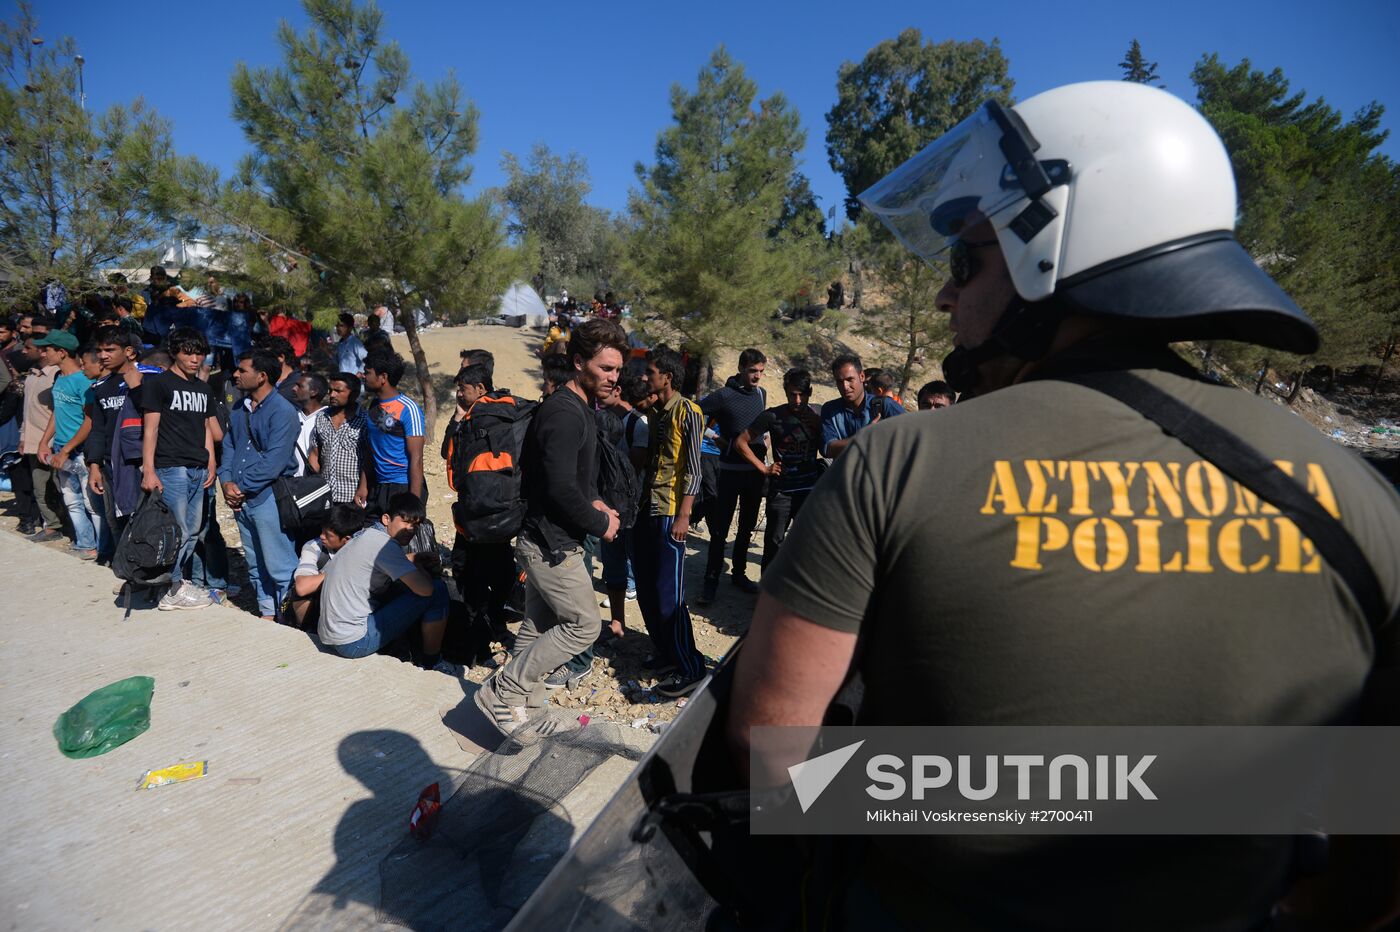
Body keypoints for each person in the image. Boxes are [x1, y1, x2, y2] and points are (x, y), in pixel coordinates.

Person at [727, 81, 1400, 930]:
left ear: (1050, 252)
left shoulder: (896, 462)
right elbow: (1376, 846)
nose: (946, 297)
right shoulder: (1365, 505)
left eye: (964, 260)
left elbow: (773, 762)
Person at [474, 319, 625, 735]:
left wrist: (595, 500)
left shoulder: (578, 409)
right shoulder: (564, 414)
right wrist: (600, 522)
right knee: (583, 626)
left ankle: (524, 711)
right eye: (607, 369)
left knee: (537, 627)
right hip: (550, 544)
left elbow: (571, 477)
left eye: (618, 369)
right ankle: (502, 690)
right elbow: (559, 489)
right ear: (579, 363)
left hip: (549, 537)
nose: (615, 377)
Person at [317, 491, 460, 675]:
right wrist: (421, 567)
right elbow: (425, 590)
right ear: (386, 519)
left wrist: (412, 560)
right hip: (353, 642)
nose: (410, 529)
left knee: (400, 587)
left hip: (330, 636)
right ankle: (433, 663)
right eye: (405, 521)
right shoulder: (384, 547)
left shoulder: (365, 535)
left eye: (415, 525)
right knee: (437, 591)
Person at [634, 347, 707, 698]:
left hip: (670, 513)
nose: (646, 377)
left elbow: (693, 467)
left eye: (651, 372)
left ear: (667, 376)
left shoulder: (688, 411)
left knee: (669, 595)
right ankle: (666, 653)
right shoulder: (658, 413)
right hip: (649, 508)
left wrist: (684, 515)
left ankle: (691, 668)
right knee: (648, 589)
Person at [140, 326, 218, 610]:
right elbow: (151, 429)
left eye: (199, 353)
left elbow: (206, 426)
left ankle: (174, 584)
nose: (195, 359)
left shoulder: (203, 388)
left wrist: (211, 460)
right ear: (175, 352)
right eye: (188, 352)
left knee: (194, 531)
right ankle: (171, 590)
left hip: (199, 466)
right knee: (177, 531)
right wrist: (148, 469)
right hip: (172, 466)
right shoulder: (158, 384)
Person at [220, 350, 301, 621]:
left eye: (242, 370)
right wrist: (226, 482)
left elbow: (275, 460)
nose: (235, 374)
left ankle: (289, 617)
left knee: (280, 563)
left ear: (262, 376)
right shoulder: (238, 408)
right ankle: (267, 613)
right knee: (254, 561)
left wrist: (239, 486)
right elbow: (229, 447)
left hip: (268, 496)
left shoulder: (283, 411)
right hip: (241, 497)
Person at [441, 363, 518, 645]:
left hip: (475, 513)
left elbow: (450, 461)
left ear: (481, 389)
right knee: (499, 570)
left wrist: (459, 422)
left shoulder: (476, 421)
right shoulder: (509, 412)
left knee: (467, 568)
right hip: (502, 512)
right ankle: (495, 623)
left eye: (463, 388)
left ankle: (480, 624)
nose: (458, 394)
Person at [732, 367, 823, 571]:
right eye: (793, 394)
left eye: (802, 395)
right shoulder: (773, 416)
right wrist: (763, 468)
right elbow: (740, 442)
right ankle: (765, 595)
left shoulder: (818, 416)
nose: (797, 400)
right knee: (773, 544)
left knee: (805, 546)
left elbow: (829, 446)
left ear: (809, 392)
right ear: (786, 392)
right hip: (781, 492)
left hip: (809, 492)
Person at [697, 349, 768, 604]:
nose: (757, 376)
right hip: (728, 473)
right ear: (741, 369)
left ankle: (738, 573)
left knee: (747, 528)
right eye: (752, 371)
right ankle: (711, 581)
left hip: (754, 473)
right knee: (719, 530)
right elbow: (694, 414)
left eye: (760, 371)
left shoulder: (762, 394)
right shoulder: (723, 396)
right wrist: (714, 438)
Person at [85, 326, 160, 554]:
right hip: (111, 466)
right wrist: (94, 466)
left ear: (129, 351)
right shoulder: (99, 388)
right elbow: (97, 429)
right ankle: (128, 570)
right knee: (116, 519)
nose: (103, 355)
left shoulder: (152, 377)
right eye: (100, 350)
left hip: (144, 462)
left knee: (151, 519)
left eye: (110, 349)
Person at [34, 332, 100, 559]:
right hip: (63, 450)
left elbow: (89, 421)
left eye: (48, 349)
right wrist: (45, 442)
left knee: (92, 503)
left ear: (62, 352)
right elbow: (57, 412)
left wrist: (66, 450)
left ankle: (103, 549)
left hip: (79, 452)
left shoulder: (84, 381)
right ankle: (85, 544)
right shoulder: (60, 379)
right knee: (72, 500)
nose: (44, 353)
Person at [356, 349, 425, 514]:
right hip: (378, 486)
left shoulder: (408, 409)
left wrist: (413, 502)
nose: (362, 376)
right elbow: (369, 450)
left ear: (383, 378)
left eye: (367, 372)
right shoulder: (372, 406)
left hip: (402, 486)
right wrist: (363, 486)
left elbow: (416, 458)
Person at [284, 503, 362, 630]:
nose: (322, 536)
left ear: (346, 539)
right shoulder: (314, 547)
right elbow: (302, 587)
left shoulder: (364, 549)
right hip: (319, 606)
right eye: (322, 531)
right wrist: (338, 571)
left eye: (328, 535)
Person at [19, 323, 63, 542]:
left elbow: (59, 412)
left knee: (60, 487)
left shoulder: (56, 375)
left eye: (28, 347)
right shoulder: (32, 375)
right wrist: (23, 437)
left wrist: (50, 441)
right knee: (40, 488)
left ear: (44, 350)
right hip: (32, 442)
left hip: (54, 443)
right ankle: (52, 526)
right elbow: (27, 411)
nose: (24, 351)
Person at [819, 353, 905, 459]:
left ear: (862, 376)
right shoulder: (830, 410)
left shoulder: (885, 406)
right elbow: (828, 449)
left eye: (850, 379)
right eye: (840, 381)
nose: (845, 387)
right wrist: (864, 437)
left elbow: (910, 437)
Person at [308, 372, 366, 504]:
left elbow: (369, 460)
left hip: (353, 497)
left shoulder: (364, 420)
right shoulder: (322, 417)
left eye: (338, 391)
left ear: (354, 394)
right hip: (325, 496)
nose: (332, 395)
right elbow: (315, 454)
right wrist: (312, 484)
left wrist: (363, 488)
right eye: (330, 390)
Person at [291, 372, 328, 477]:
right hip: (288, 484)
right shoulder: (290, 416)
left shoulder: (328, 419)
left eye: (300, 386)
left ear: (313, 392)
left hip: (315, 484)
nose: (294, 388)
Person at [334, 313, 367, 380]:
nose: (338, 328)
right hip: (344, 380)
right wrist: (325, 349)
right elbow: (339, 362)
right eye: (337, 325)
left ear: (350, 328)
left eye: (341, 325)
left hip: (354, 383)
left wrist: (359, 374)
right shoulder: (341, 343)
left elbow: (367, 359)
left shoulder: (355, 342)